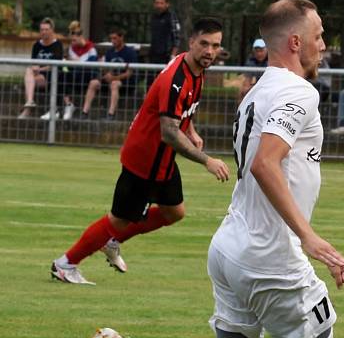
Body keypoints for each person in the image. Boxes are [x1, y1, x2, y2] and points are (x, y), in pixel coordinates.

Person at [57, 0, 344, 338]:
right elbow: (265, 164)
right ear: (294, 42)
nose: (324, 43)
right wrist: (309, 237)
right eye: (320, 33)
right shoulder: (297, 93)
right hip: (271, 260)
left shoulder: (257, 89)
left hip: (231, 249)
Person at [50, 17, 230, 285]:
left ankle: (111, 242)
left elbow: (183, 110)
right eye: (204, 44)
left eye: (215, 45)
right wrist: (206, 160)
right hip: (145, 160)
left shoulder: (197, 67)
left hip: (163, 160)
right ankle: (66, 263)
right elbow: (169, 131)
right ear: (191, 42)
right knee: (119, 219)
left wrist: (190, 129)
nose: (209, 51)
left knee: (174, 212)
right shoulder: (176, 78)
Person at [41, 21, 98, 121]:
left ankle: (78, 111)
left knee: (68, 75)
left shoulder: (91, 48)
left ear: (80, 36)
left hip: (87, 76)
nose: (72, 42)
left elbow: (91, 64)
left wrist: (76, 61)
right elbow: (70, 64)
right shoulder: (72, 48)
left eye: (74, 39)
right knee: (60, 74)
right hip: (74, 76)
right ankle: (66, 106)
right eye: (71, 40)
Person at [79, 28, 139, 120]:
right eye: (111, 39)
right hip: (111, 79)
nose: (113, 41)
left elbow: (129, 73)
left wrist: (114, 77)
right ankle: (84, 112)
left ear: (121, 37)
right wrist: (106, 74)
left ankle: (111, 114)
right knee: (93, 83)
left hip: (125, 81)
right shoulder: (110, 52)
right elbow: (107, 69)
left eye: (115, 38)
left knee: (114, 84)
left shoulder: (130, 52)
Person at [18, 17, 64, 119]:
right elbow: (33, 62)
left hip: (50, 77)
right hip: (38, 76)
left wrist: (40, 69)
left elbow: (55, 65)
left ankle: (28, 109)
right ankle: (29, 102)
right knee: (29, 71)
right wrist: (35, 68)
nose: (44, 32)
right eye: (42, 30)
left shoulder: (57, 45)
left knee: (29, 80)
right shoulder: (36, 45)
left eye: (46, 29)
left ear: (52, 30)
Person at [147, 0, 182, 87]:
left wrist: (173, 54)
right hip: (154, 54)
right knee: (150, 82)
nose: (159, 5)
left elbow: (177, 37)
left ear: (167, 4)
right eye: (157, 3)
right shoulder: (153, 17)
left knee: (165, 81)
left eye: (161, 3)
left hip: (166, 54)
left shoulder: (171, 16)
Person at [238, 37, 268, 103]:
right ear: (253, 51)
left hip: (269, 87)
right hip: (257, 87)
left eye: (261, 50)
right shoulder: (251, 62)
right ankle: (241, 111)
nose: (259, 53)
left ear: (266, 50)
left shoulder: (272, 61)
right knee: (242, 91)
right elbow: (247, 82)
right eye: (257, 51)